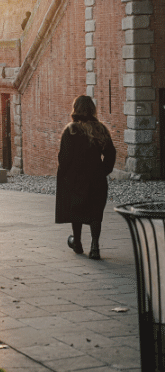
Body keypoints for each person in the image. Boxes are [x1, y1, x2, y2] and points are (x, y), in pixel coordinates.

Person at [56, 95, 116, 261]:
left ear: (75, 109)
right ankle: (95, 246)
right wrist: (103, 171)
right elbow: (110, 153)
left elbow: (64, 158)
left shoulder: (71, 130)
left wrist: (66, 175)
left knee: (77, 210)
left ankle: (77, 243)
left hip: (77, 178)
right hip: (97, 177)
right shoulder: (101, 129)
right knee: (96, 212)